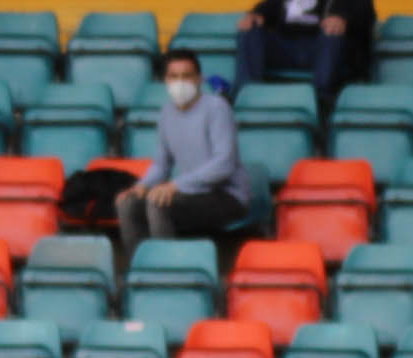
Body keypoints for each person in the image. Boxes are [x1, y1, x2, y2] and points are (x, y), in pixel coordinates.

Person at [117, 51, 250, 256]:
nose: (180, 82)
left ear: (199, 79)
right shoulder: (166, 113)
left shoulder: (217, 108)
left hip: (227, 196)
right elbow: (161, 164)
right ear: (166, 80)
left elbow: (224, 163)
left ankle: (169, 269)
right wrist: (142, 186)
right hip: (192, 192)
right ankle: (141, 268)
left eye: (186, 76)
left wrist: (175, 185)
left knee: (158, 203)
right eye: (174, 76)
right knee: (129, 203)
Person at [235, 0, 374, 102]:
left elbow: (365, 15)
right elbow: (271, 6)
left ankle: (322, 103)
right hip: (287, 46)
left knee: (332, 35)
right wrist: (257, 14)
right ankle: (246, 96)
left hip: (325, 48)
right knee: (250, 29)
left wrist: (343, 18)